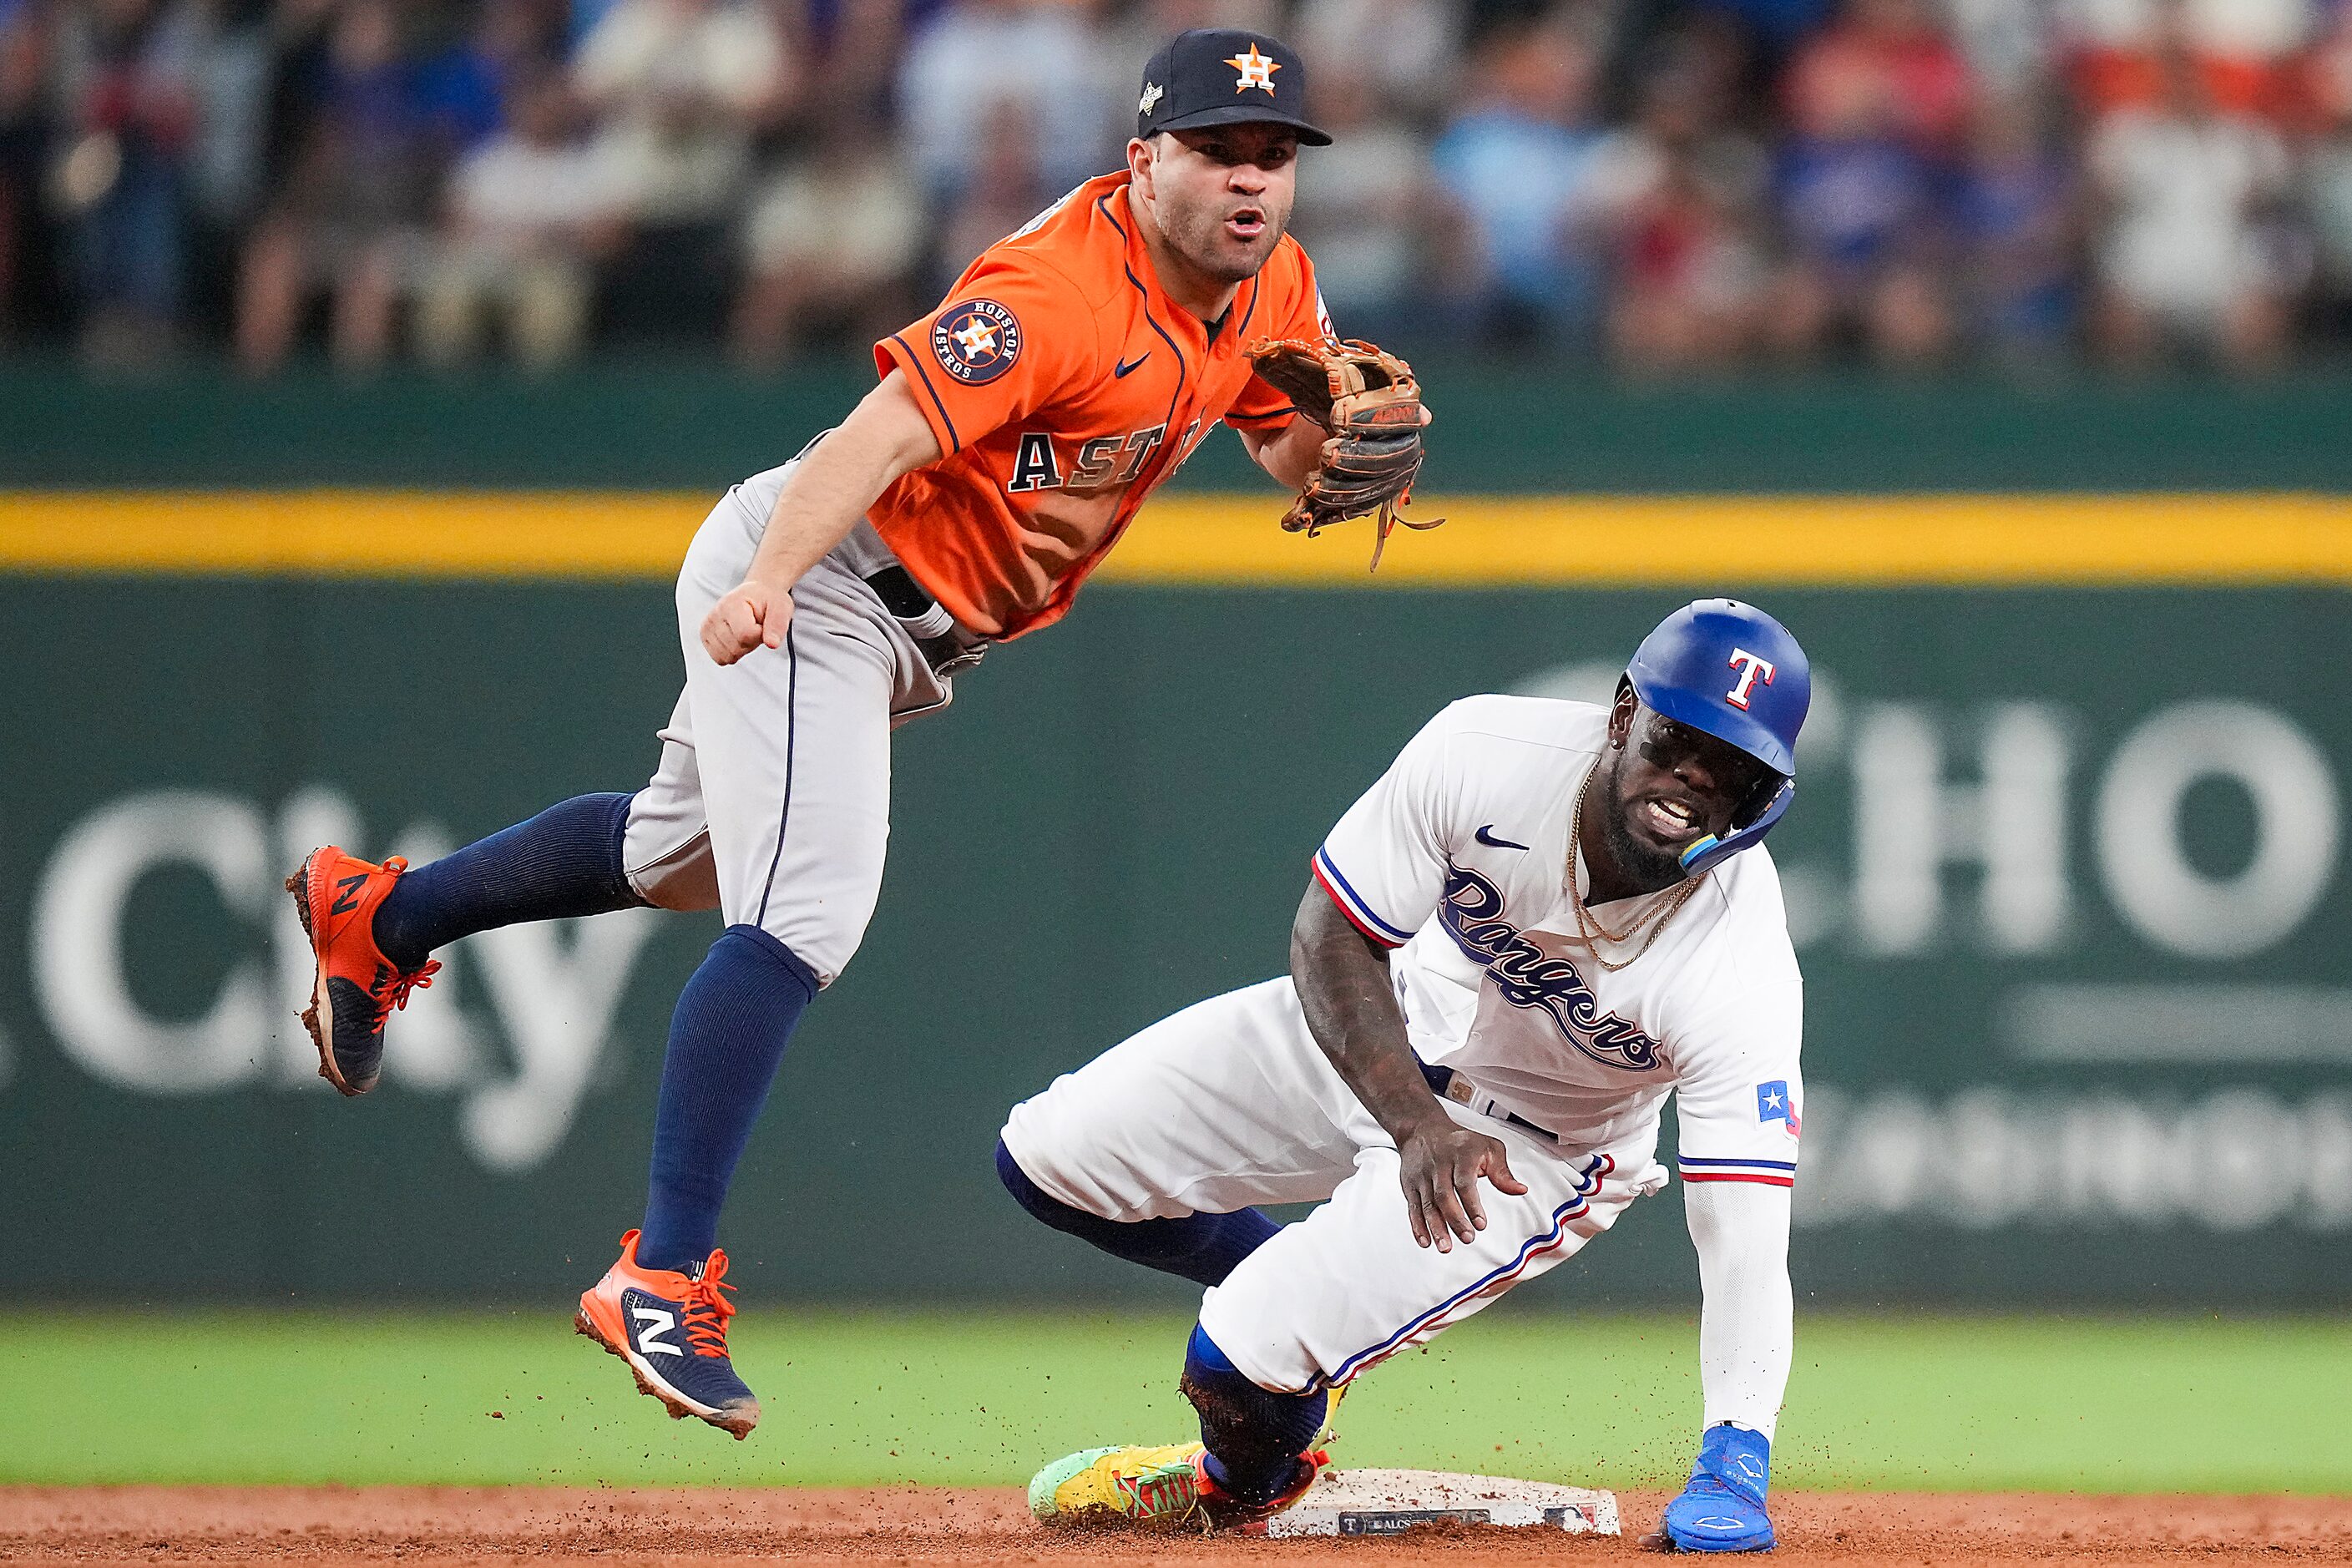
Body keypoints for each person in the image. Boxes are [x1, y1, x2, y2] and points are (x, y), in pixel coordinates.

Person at [284, 28, 1415, 1441]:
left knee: (676, 853)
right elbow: (871, 439)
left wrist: (1332, 460)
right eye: (1217, 151)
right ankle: (657, 1269)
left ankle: (378, 915)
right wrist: (766, 587)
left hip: (904, 622)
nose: (1252, 182)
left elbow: (1274, 434)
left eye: (1273, 157)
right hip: (822, 575)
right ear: (1143, 162)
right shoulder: (1051, 295)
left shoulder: (1271, 286)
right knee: (805, 910)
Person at [1005, 599, 1808, 1550]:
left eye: (1734, 766)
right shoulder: (1487, 750)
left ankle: (1238, 1483)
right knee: (1049, 1158)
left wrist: (1734, 1463)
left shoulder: (1737, 963)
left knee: (1236, 1360)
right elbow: (1330, 933)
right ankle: (1306, 1333)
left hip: (1531, 1154)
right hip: (1377, 1039)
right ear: (1627, 712)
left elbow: (1743, 1235)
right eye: (1682, 736)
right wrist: (1413, 1123)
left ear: (1759, 798)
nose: (1696, 776)